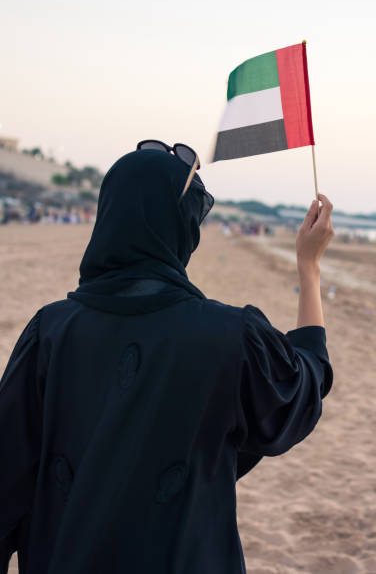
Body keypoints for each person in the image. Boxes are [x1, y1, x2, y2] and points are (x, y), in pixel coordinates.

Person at [0, 144, 334, 574]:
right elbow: (302, 390)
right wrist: (309, 269)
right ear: (183, 229)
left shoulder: (50, 331)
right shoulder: (229, 337)